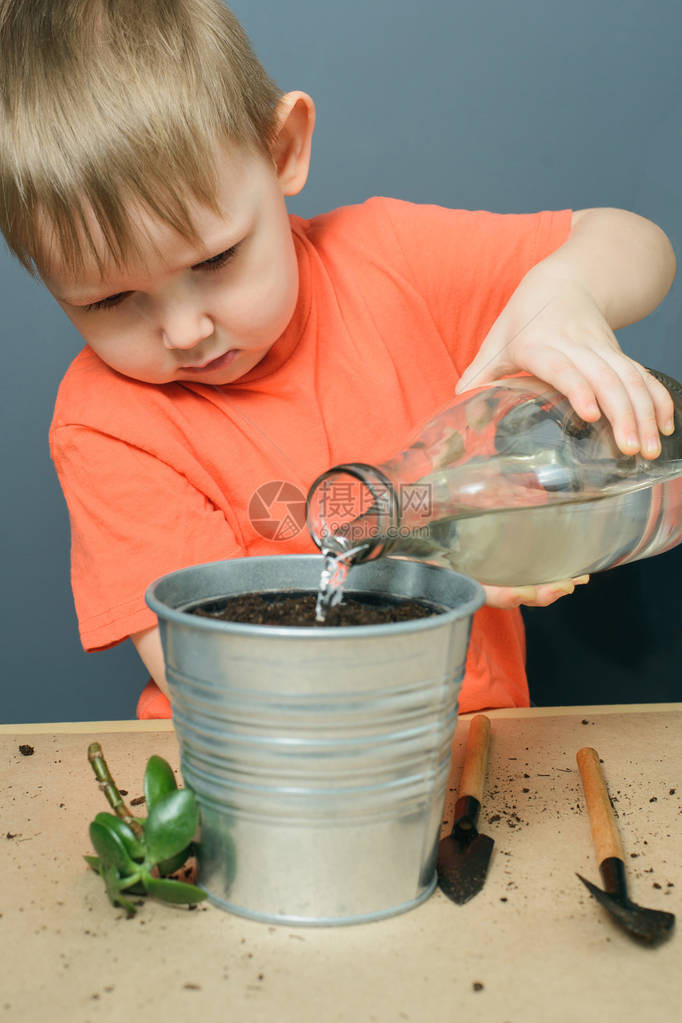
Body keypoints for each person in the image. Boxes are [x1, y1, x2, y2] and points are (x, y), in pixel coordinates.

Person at [0, 0, 676, 718]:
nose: (185, 330)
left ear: (282, 149)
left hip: (483, 759)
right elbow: (212, 670)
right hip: (256, 778)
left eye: (217, 259)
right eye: (109, 301)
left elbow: (636, 242)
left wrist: (565, 294)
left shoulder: (392, 263)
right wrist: (429, 568)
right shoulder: (107, 423)